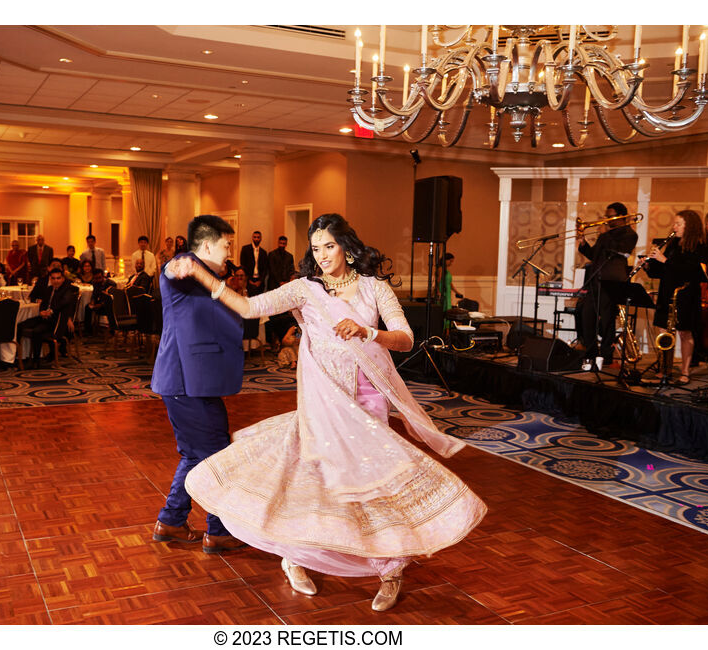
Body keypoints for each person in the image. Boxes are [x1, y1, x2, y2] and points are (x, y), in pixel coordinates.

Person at [172, 213, 487, 611]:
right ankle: (296, 557)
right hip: (321, 405)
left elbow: (405, 339)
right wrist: (202, 276)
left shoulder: (375, 290)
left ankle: (389, 570)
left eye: (329, 247)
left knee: (373, 489)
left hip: (368, 402)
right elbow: (250, 307)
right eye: (316, 248)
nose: (321, 256)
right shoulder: (305, 290)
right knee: (314, 485)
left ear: (348, 248)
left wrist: (368, 332)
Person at [150, 215, 248, 555]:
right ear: (206, 245)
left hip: (190, 383)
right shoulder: (185, 268)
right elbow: (174, 269)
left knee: (196, 455)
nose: (229, 252)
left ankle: (172, 521)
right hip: (184, 381)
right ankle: (218, 531)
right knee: (218, 455)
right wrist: (175, 264)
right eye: (226, 245)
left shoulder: (203, 278)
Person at [643, 210, 706, 385]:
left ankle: (685, 371)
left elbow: (690, 272)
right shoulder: (673, 244)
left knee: (685, 332)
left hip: (685, 294)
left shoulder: (698, 246)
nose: (674, 227)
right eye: (674, 223)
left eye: (678, 224)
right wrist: (649, 265)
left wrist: (664, 261)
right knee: (663, 331)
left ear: (689, 226)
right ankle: (665, 369)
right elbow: (663, 271)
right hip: (667, 292)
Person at [575, 202, 638, 367]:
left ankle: (606, 356)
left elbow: (621, 252)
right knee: (586, 317)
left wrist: (606, 235)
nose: (607, 219)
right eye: (607, 216)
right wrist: (582, 242)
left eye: (611, 216)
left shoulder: (630, 234)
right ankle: (590, 354)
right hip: (595, 281)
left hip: (612, 282)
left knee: (607, 321)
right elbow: (593, 255)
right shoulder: (605, 236)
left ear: (621, 217)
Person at [17, 267, 77, 368]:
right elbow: (43, 303)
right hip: (44, 318)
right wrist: (42, 312)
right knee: (20, 325)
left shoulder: (67, 290)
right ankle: (18, 358)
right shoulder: (49, 290)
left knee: (37, 331)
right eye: (53, 278)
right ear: (50, 279)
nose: (56, 281)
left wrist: (50, 312)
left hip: (55, 322)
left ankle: (36, 361)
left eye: (58, 278)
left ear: (62, 279)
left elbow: (63, 303)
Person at [239, 230, 268, 296]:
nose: (256, 239)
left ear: (261, 239)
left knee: (259, 300)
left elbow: (265, 268)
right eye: (255, 237)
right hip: (249, 280)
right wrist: (248, 279)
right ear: (252, 238)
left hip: (259, 281)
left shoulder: (264, 252)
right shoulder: (245, 249)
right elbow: (243, 265)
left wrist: (260, 281)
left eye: (258, 237)